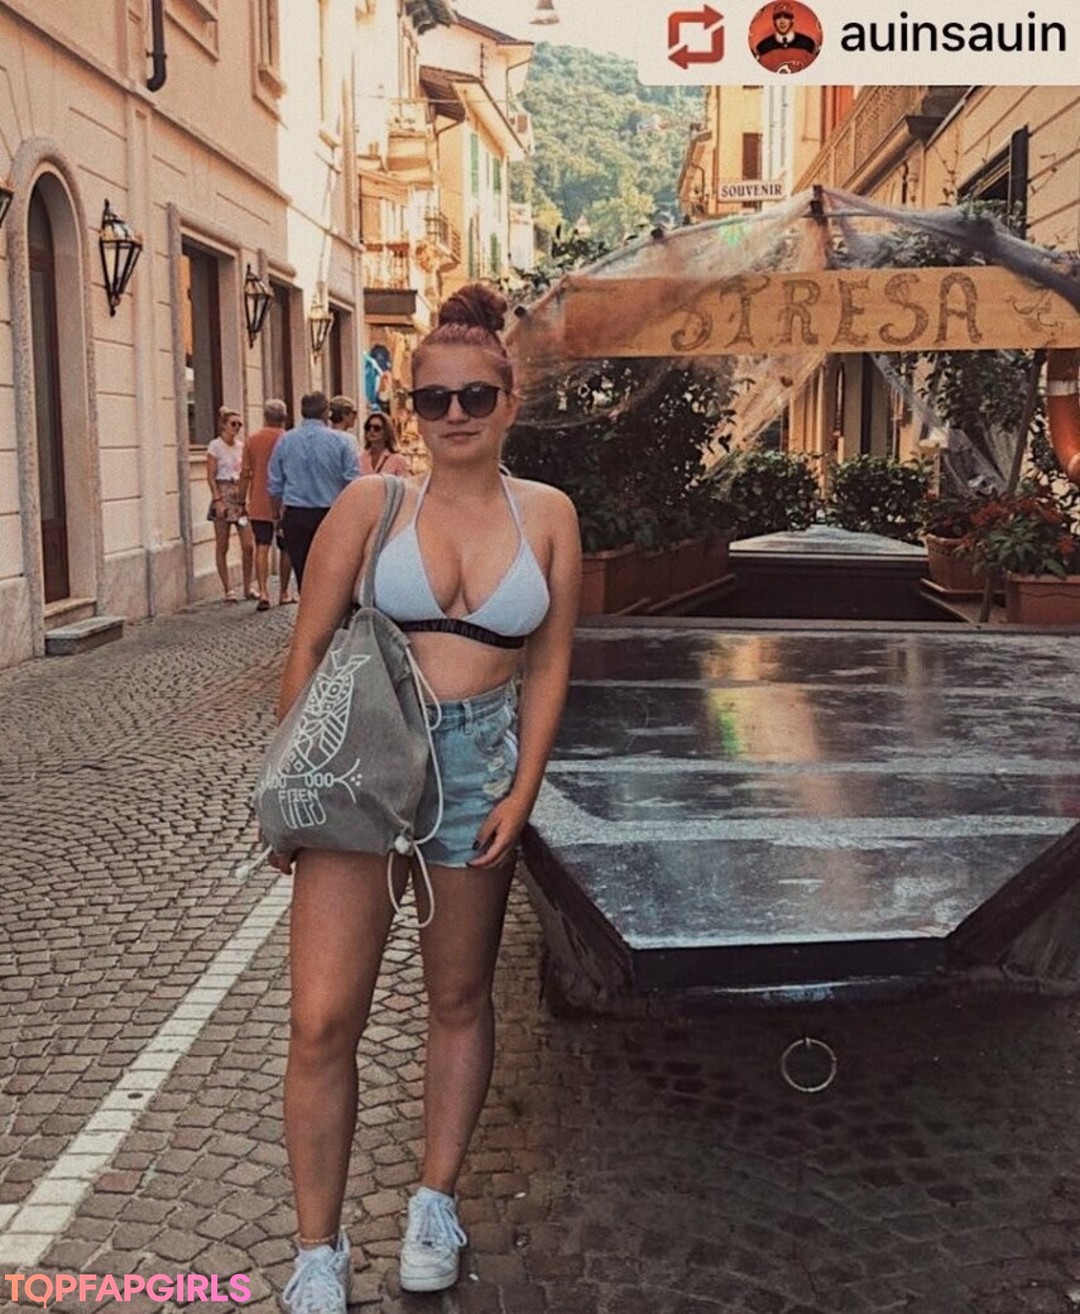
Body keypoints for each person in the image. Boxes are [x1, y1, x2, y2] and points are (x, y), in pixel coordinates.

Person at [272, 283, 581, 1310]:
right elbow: (308, 648)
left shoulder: (548, 516)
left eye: (475, 396)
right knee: (323, 1018)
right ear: (410, 407)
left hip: (479, 767)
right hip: (362, 766)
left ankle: (433, 1202)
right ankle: (317, 1250)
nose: (454, 415)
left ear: (509, 399)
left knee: (458, 998)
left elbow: (549, 663)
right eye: (433, 398)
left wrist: (523, 790)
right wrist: (294, 790)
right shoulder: (375, 505)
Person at [268, 391, 360, 590]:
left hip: (297, 514)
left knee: (303, 572)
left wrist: (276, 515)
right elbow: (352, 481)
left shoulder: (286, 440)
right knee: (333, 571)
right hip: (331, 514)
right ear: (326, 412)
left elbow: (275, 484)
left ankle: (308, 602)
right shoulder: (342, 441)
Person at [239, 399, 296, 610]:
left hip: (259, 500)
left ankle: (263, 591)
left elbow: (245, 473)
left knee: (262, 546)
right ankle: (283, 592)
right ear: (284, 417)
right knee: (286, 548)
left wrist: (241, 499)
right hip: (286, 501)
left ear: (265, 416)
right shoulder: (289, 440)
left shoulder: (252, 441)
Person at [206, 406, 255, 602]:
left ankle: (247, 587)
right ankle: (228, 589)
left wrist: (245, 495)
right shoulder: (215, 446)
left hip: (239, 495)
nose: (237, 428)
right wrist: (217, 499)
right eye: (233, 424)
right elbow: (211, 476)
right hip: (223, 493)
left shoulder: (241, 447)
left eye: (239, 424)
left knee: (248, 545)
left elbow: (246, 471)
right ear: (224, 426)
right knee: (222, 544)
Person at [754, 2, 818, 57]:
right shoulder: (763, 47)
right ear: (773, 21)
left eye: (787, 16)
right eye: (778, 17)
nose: (782, 21)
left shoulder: (807, 43)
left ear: (792, 20)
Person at [359, 410, 409, 477]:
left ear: (386, 432)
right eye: (368, 427)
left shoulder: (398, 460)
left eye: (377, 428)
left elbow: (404, 482)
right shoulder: (360, 459)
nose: (371, 430)